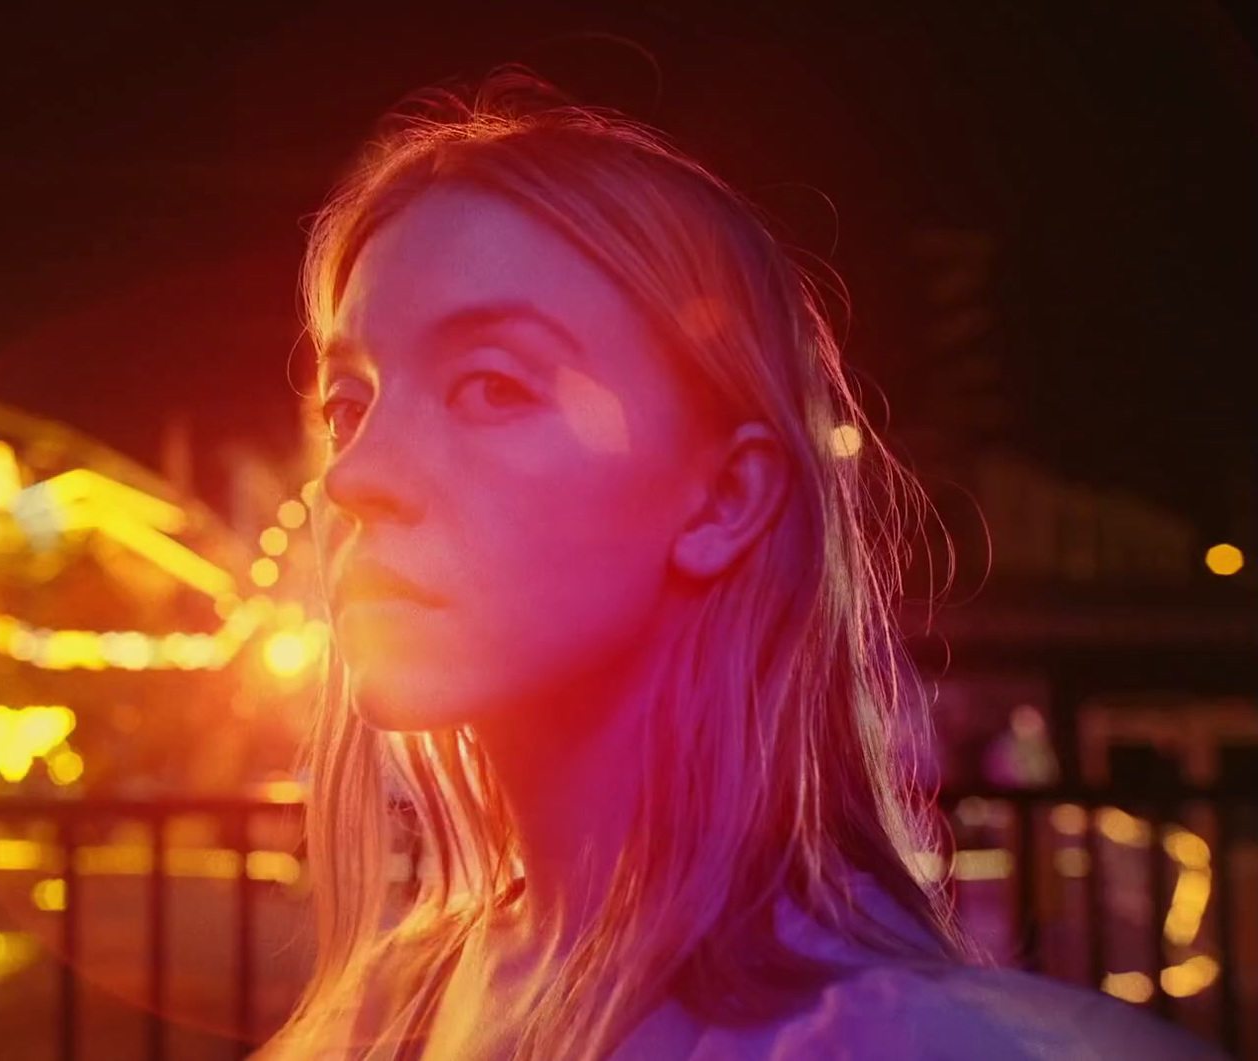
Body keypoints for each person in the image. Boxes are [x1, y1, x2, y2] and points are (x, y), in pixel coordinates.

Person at [256, 70, 1224, 1060]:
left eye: (493, 385)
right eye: (347, 404)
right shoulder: (375, 1016)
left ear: (726, 497)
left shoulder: (921, 1045)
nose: (355, 473)